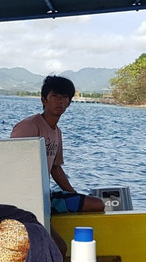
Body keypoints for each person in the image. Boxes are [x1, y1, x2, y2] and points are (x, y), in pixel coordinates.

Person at [10, 75, 105, 214]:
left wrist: (74, 194)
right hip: (25, 196)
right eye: (54, 96)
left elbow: (55, 168)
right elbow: (13, 165)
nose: (59, 101)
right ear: (44, 100)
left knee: (97, 204)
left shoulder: (57, 132)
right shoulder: (29, 126)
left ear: (69, 102)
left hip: (45, 194)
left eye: (64, 96)